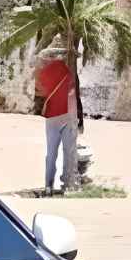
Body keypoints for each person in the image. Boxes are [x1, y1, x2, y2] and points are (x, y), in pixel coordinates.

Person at [33, 46, 77, 195]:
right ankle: (67, 185)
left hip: (52, 117)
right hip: (67, 116)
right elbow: (72, 89)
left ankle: (48, 185)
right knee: (68, 151)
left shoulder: (43, 73)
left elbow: (40, 90)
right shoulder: (66, 70)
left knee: (51, 154)